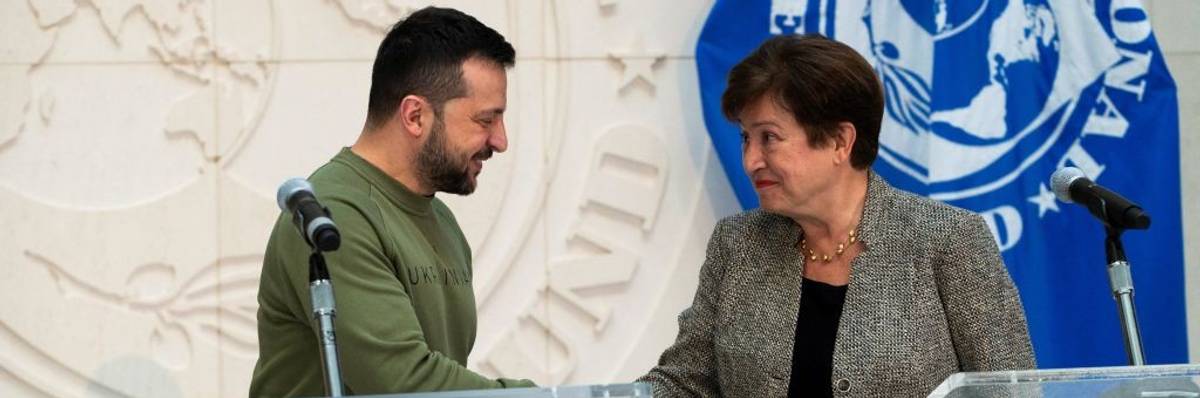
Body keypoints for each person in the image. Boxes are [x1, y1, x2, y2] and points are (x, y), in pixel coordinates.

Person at [638, 34, 1035, 397]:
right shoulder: (738, 243)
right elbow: (687, 382)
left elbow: (1010, 390)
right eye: (746, 137)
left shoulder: (948, 240)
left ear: (840, 141)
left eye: (769, 137)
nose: (751, 160)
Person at [249, 7, 536, 396]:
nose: (501, 141)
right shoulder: (336, 217)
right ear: (415, 115)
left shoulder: (442, 221)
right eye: (485, 120)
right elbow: (403, 383)